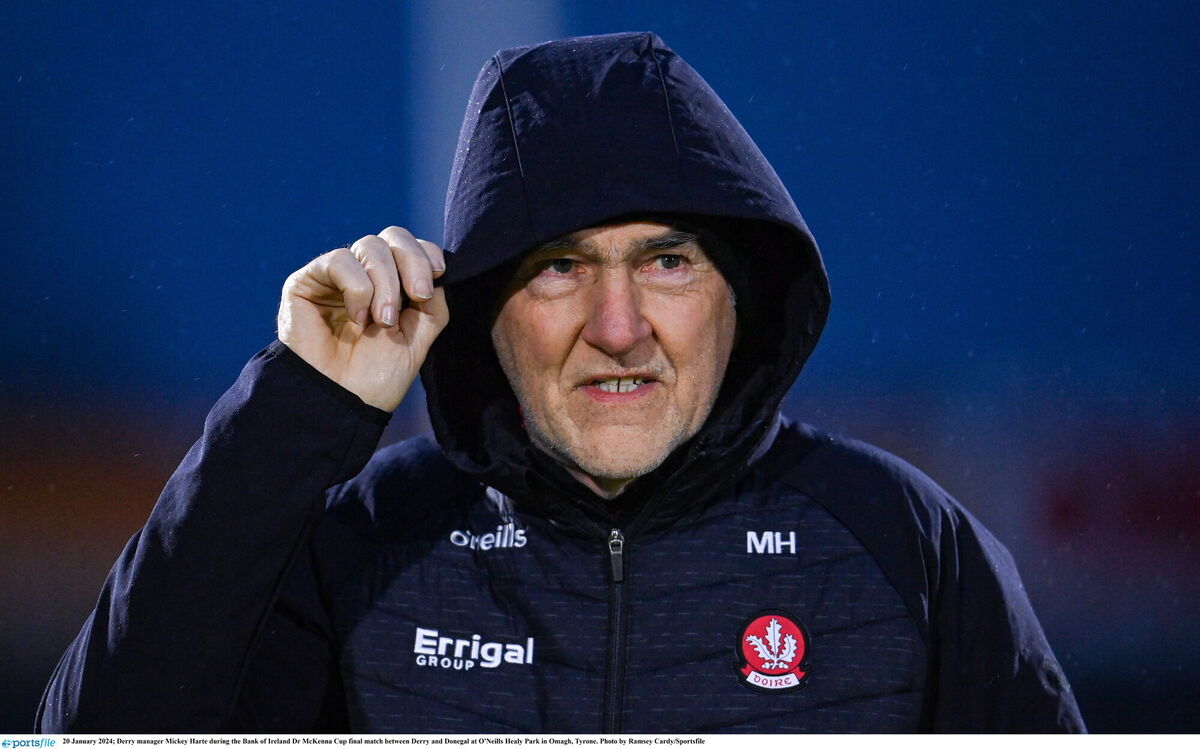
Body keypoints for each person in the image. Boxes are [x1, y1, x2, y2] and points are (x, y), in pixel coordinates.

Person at [37, 32, 1085, 733]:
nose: (618, 328)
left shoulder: (906, 548)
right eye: (559, 267)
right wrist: (299, 408)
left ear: (742, 294)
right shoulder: (364, 548)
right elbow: (95, 737)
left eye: (667, 260)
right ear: (486, 309)